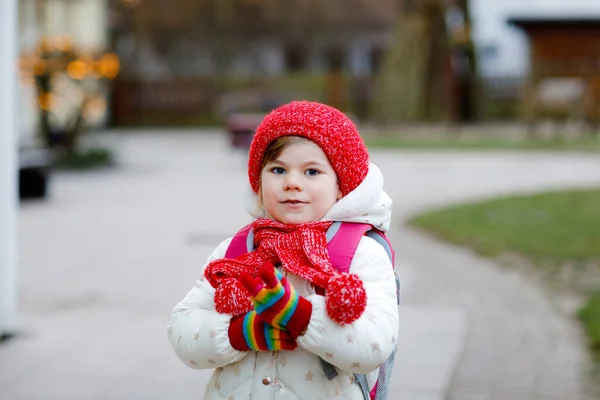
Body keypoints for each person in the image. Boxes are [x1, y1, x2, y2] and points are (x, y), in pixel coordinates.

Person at [167, 101, 399, 400]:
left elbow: (374, 346)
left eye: (312, 172)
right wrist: (240, 333)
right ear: (259, 182)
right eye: (278, 169)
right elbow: (183, 328)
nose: (291, 183)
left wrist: (299, 316)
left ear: (342, 186)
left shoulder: (359, 254)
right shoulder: (238, 252)